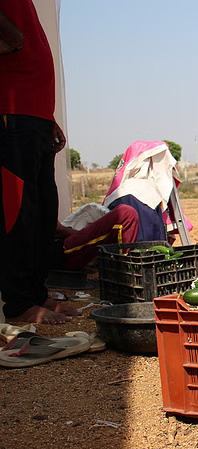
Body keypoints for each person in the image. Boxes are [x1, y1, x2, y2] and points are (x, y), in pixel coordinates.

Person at [0, 1, 79, 324]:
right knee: (19, 212)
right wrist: (11, 37)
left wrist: (48, 117)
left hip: (35, 114)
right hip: (10, 109)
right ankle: (19, 304)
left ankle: (36, 292)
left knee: (43, 211)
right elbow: (16, 37)